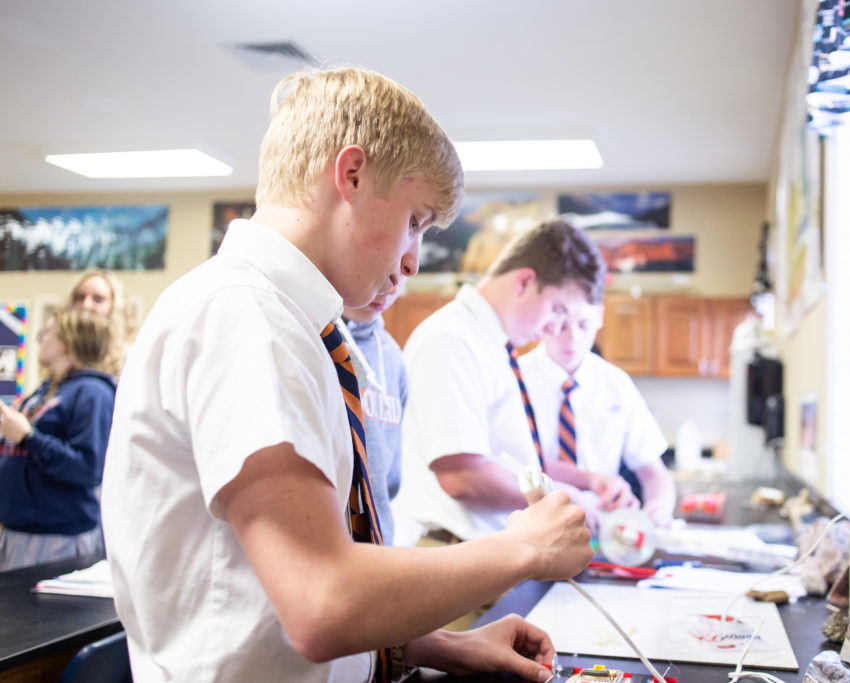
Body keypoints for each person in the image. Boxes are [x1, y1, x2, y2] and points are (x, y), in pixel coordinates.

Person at [101, 66, 591, 683]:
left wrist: (439, 643)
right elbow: (320, 601)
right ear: (351, 174)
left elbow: (268, 591)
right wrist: (524, 547)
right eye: (415, 220)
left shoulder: (303, 327)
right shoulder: (244, 316)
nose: (413, 259)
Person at [397, 218, 637, 548]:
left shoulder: (494, 346)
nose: (554, 328)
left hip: (487, 555)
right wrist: (558, 499)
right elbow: (463, 477)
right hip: (455, 553)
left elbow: (508, 459)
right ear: (524, 281)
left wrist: (586, 483)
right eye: (556, 309)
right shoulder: (451, 340)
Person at [519, 300, 677, 528]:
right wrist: (587, 482)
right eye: (562, 326)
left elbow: (653, 473)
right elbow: (514, 463)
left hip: (596, 533)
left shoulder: (616, 384)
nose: (572, 337)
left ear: (600, 317)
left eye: (584, 325)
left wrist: (659, 506)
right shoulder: (515, 379)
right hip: (526, 529)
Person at [0, 307, 116, 571]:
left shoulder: (93, 392)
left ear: (66, 341)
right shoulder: (47, 389)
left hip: (55, 537)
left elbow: (88, 468)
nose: (40, 339)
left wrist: (27, 436)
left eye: (47, 333)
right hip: (18, 531)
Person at [339, 280, 407, 545]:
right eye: (389, 271)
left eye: (404, 272)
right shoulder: (316, 339)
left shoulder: (392, 357)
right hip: (327, 545)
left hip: (379, 544)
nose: (392, 288)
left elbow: (389, 478)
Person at [66, 268, 135, 375]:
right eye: (80, 297)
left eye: (98, 299)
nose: (86, 305)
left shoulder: (128, 359)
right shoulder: (62, 355)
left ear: (114, 306)